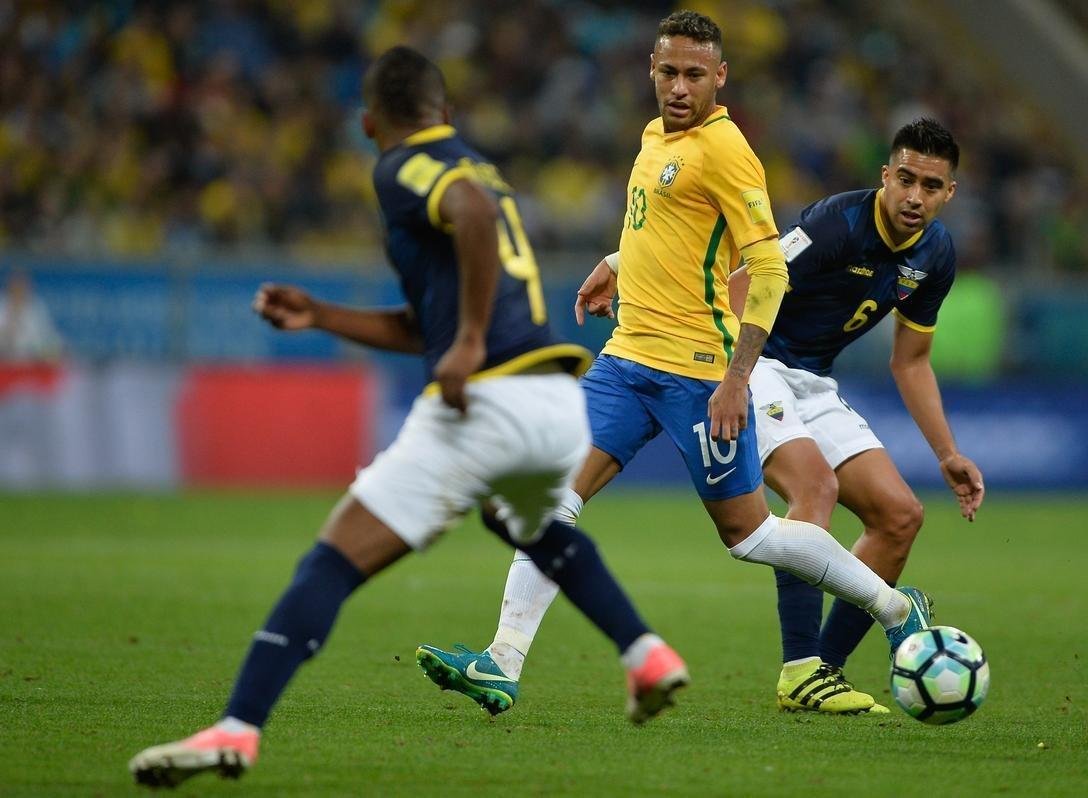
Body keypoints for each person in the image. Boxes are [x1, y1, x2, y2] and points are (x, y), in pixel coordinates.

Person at [128, 46, 690, 789]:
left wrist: (467, 342)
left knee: (331, 560)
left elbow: (470, 217)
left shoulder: (405, 167)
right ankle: (644, 652)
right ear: (446, 112)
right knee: (525, 524)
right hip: (550, 396)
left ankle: (236, 729)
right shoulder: (480, 166)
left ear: (369, 124)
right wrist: (321, 314)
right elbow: (427, 319)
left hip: (488, 397)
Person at [414, 10, 931, 719]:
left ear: (721, 77)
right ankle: (502, 662)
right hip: (626, 360)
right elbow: (670, 230)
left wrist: (737, 379)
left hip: (697, 372)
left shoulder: (727, 151)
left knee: (750, 536)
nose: (679, 87)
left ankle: (893, 607)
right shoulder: (656, 136)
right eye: (668, 72)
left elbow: (768, 269)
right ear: (651, 72)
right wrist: (616, 261)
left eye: (694, 74)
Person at [730, 118, 984, 713]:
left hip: (813, 381)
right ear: (885, 176)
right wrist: (733, 377)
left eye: (931, 186)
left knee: (899, 517)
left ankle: (824, 671)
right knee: (814, 488)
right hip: (753, 361)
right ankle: (798, 668)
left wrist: (947, 453)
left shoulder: (935, 253)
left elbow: (911, 361)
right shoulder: (835, 223)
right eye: (906, 179)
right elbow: (741, 288)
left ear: (949, 193)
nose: (915, 196)